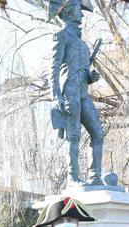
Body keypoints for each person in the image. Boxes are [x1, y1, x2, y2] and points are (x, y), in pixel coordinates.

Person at [49, 0, 104, 185]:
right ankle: (72, 178)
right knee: (74, 135)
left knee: (98, 133)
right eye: (78, 10)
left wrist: (91, 77)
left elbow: (84, 71)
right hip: (69, 90)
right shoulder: (61, 36)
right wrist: (55, 95)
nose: (81, 14)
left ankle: (95, 177)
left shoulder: (84, 44)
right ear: (69, 12)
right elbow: (54, 67)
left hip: (83, 91)